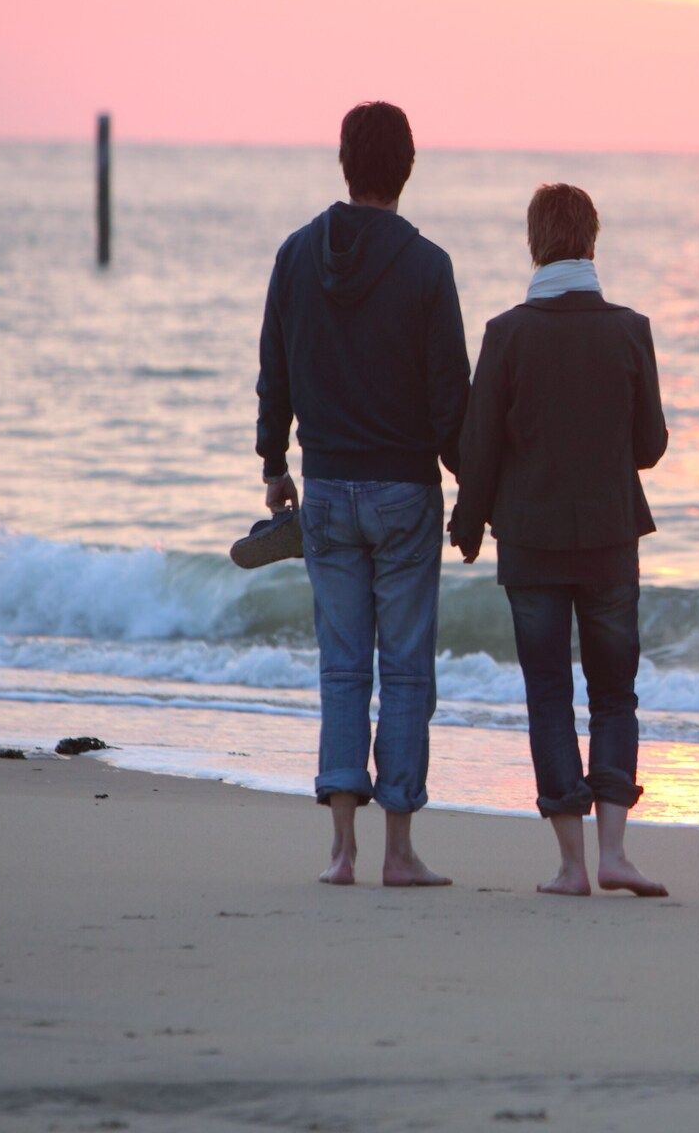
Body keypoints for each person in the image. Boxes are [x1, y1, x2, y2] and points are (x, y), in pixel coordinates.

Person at [256, 101, 469, 887]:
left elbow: (274, 369)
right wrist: (475, 488)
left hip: (327, 488)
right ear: (407, 167)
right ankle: (400, 850)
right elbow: (452, 398)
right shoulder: (426, 266)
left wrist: (274, 463)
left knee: (343, 667)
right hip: (405, 491)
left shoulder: (294, 255)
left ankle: (341, 849)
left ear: (345, 162)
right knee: (406, 671)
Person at [452, 183, 669, 897]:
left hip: (533, 546)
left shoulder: (507, 334)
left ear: (534, 243)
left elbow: (477, 449)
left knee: (548, 695)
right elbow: (650, 447)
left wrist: (468, 523)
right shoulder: (629, 330)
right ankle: (615, 852)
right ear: (592, 241)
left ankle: (572, 866)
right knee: (614, 694)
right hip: (610, 542)